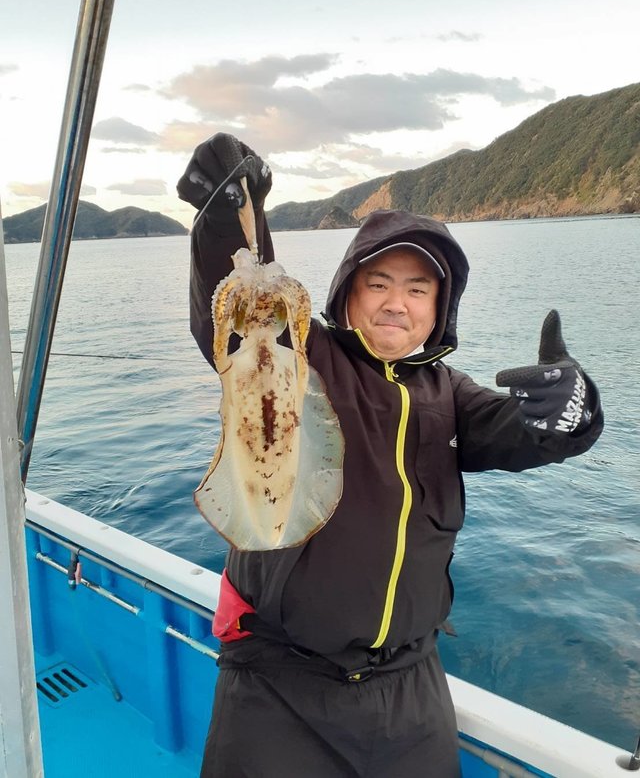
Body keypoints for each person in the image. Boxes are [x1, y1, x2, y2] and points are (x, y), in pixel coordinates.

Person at [178, 133, 604, 778]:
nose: (396, 302)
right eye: (377, 282)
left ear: (440, 309)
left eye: (418, 289)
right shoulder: (305, 359)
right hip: (279, 682)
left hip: (410, 687)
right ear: (348, 291)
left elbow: (530, 432)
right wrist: (232, 208)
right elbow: (245, 300)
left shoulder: (450, 395)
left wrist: (573, 410)